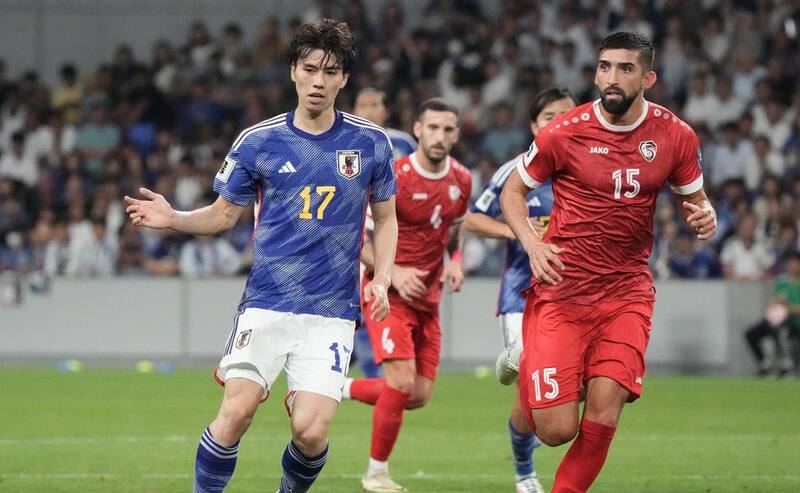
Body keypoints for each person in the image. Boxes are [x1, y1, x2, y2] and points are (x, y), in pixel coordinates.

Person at [124, 19, 398, 493]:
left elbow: (388, 218)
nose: (318, 81)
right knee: (236, 412)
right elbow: (222, 216)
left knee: (311, 432)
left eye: (330, 72)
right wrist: (174, 219)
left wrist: (383, 277)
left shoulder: (370, 142)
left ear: (344, 79)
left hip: (331, 311)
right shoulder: (259, 141)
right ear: (293, 71)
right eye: (310, 68)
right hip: (268, 303)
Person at [499, 32, 717, 493]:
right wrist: (534, 246)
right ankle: (527, 359)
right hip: (563, 289)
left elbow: (694, 200)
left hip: (626, 292)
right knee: (556, 430)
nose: (611, 78)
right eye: (604, 67)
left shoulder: (676, 135)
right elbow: (511, 191)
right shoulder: (564, 132)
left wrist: (704, 214)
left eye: (624, 69)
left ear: (648, 77)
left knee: (605, 409)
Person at [343, 97, 471, 492]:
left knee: (417, 395)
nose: (440, 136)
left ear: (456, 134)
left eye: (448, 129)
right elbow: (355, 239)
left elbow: (456, 228)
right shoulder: (394, 176)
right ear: (416, 129)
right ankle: (376, 474)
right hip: (387, 293)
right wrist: (393, 272)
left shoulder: (462, 180)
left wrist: (455, 259)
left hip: (428, 300)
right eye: (432, 127)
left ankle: (335, 386)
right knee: (399, 383)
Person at [464, 87, 576, 493]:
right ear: (534, 125)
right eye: (550, 117)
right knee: (533, 387)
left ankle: (520, 362)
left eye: (567, 115)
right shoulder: (517, 169)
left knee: (562, 395)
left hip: (576, 297)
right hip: (521, 294)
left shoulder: (588, 165)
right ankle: (525, 471)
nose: (559, 123)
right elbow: (473, 220)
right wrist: (523, 232)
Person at [351, 86, 417, 379]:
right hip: (357, 230)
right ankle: (372, 371)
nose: (366, 110)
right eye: (361, 104)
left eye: (374, 104)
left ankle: (376, 370)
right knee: (363, 302)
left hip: (392, 226)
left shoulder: (402, 143)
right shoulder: (345, 141)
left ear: (386, 111)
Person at [744, 251, 800, 377]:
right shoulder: (782, 282)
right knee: (751, 333)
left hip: (795, 321)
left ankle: (786, 363)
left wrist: (788, 308)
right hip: (779, 319)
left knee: (781, 330)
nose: (792, 266)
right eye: (789, 263)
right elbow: (773, 303)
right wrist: (774, 302)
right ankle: (765, 362)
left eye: (795, 263)